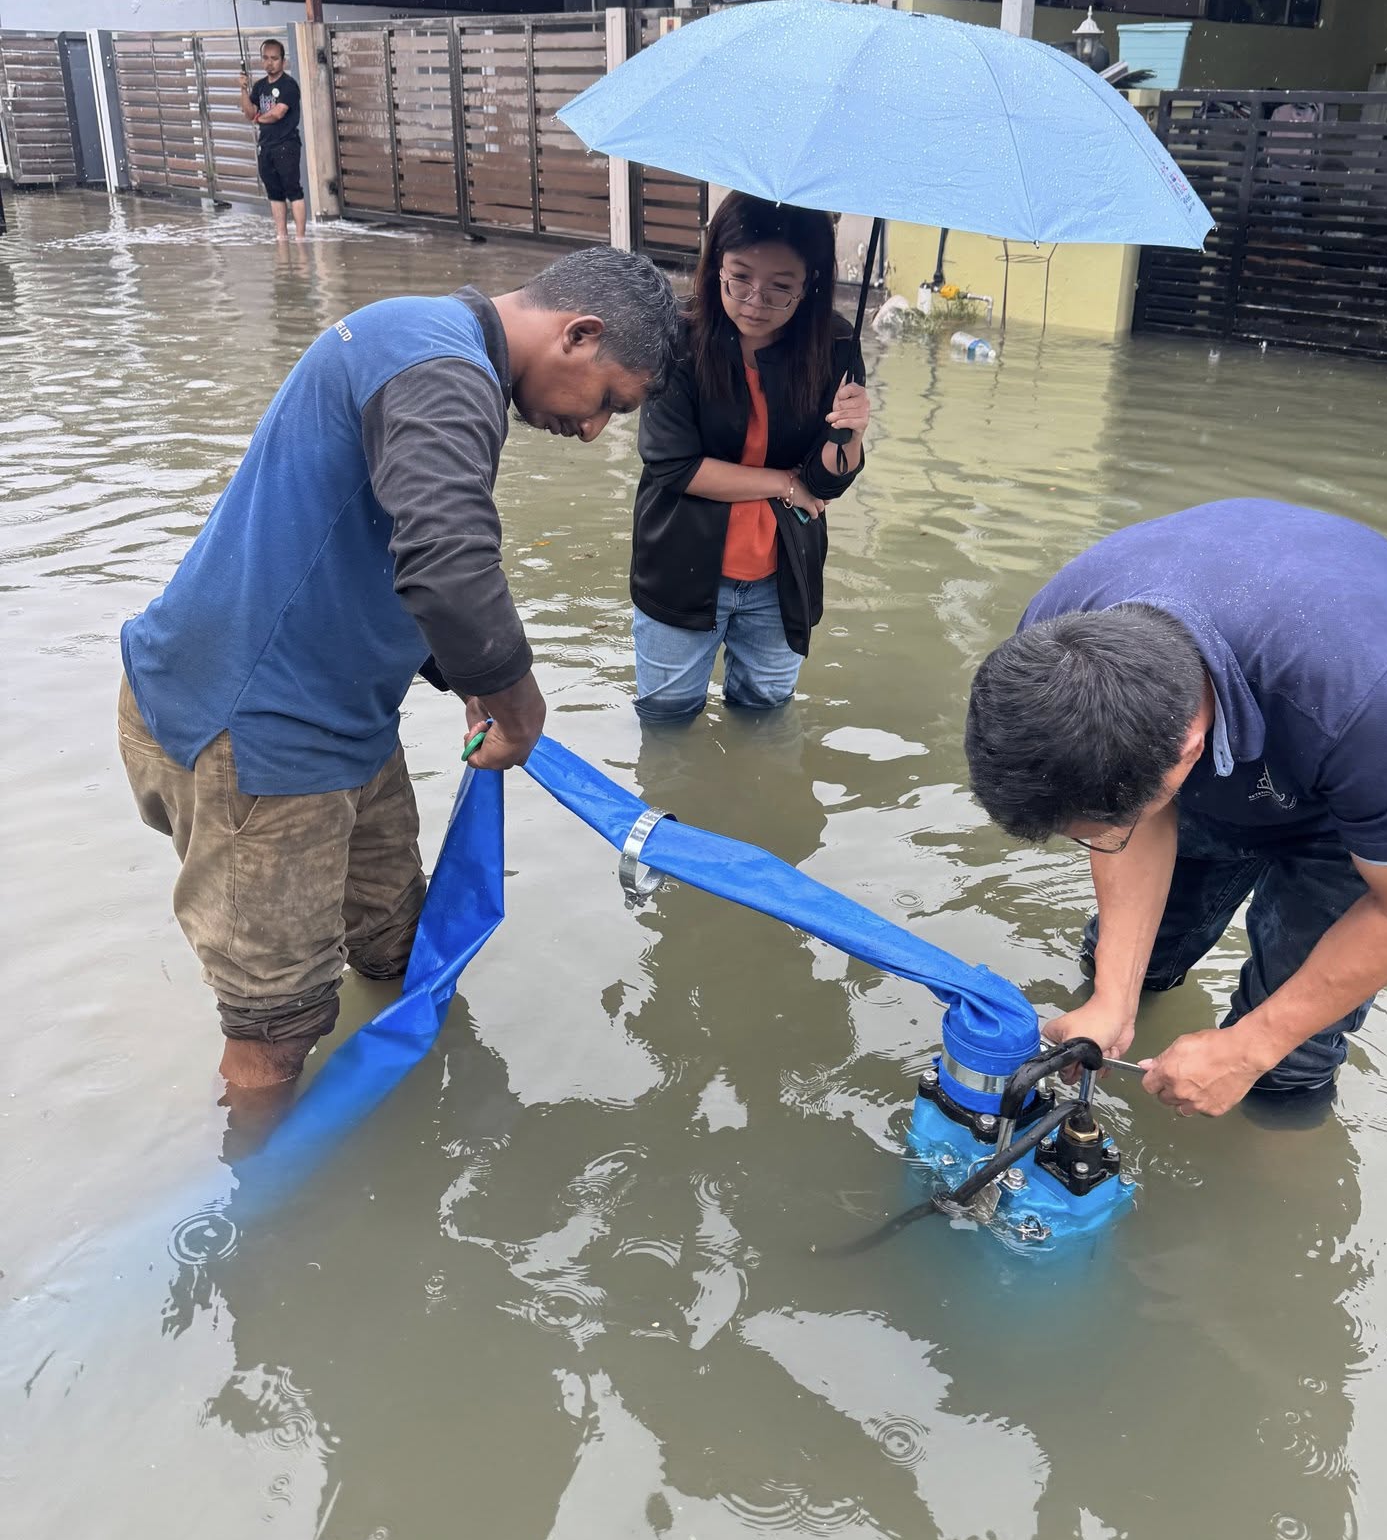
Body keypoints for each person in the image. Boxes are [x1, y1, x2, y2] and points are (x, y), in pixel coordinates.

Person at [118, 248, 682, 1106]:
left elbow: (381, 549)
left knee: (396, 941)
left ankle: (411, 1117)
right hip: (253, 733)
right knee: (278, 1024)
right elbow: (448, 565)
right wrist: (518, 707)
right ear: (579, 333)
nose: (596, 429)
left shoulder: (423, 341)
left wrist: (465, 681)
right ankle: (259, 1180)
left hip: (339, 714)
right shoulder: (442, 368)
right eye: (610, 400)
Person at [965, 499, 1387, 1117]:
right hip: (1215, 726)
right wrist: (1113, 998)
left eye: (1107, 831)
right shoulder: (1054, 654)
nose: (1101, 843)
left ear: (1188, 752)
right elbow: (1132, 816)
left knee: (1285, 1064)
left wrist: (1250, 1047)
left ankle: (1280, 1130)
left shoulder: (1376, 710)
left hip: (1346, 785)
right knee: (1124, 968)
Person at [629, 192, 871, 722]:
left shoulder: (835, 345)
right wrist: (784, 484)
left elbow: (825, 484)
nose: (755, 301)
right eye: (739, 277)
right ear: (716, 263)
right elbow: (674, 465)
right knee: (666, 719)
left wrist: (851, 433)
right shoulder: (678, 337)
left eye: (781, 287)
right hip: (681, 570)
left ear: (810, 283)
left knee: (764, 721)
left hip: (781, 578)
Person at [239, 37, 306, 243]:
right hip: (266, 145)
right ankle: (281, 236)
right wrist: (243, 89)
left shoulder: (289, 85)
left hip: (286, 144)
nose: (270, 63)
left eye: (274, 59)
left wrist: (259, 118)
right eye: (266, 58)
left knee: (293, 190)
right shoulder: (260, 86)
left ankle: (300, 238)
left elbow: (278, 113)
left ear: (283, 61)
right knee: (274, 192)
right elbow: (249, 112)